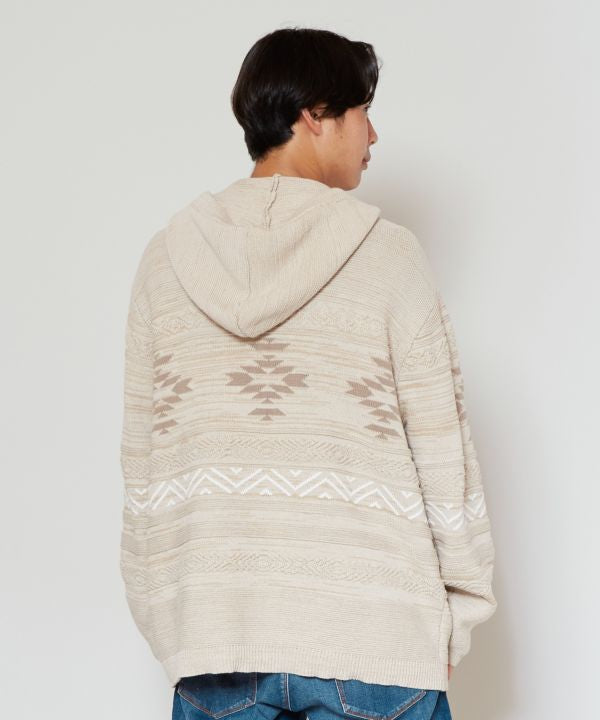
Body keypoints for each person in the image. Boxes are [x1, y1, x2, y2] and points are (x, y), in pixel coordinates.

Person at [119, 27, 497, 720]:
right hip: (379, 643)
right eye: (362, 112)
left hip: (217, 646)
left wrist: (175, 625)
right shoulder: (390, 258)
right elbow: (446, 457)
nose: (373, 135)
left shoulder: (165, 261)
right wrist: (458, 617)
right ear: (315, 114)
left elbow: (144, 472)